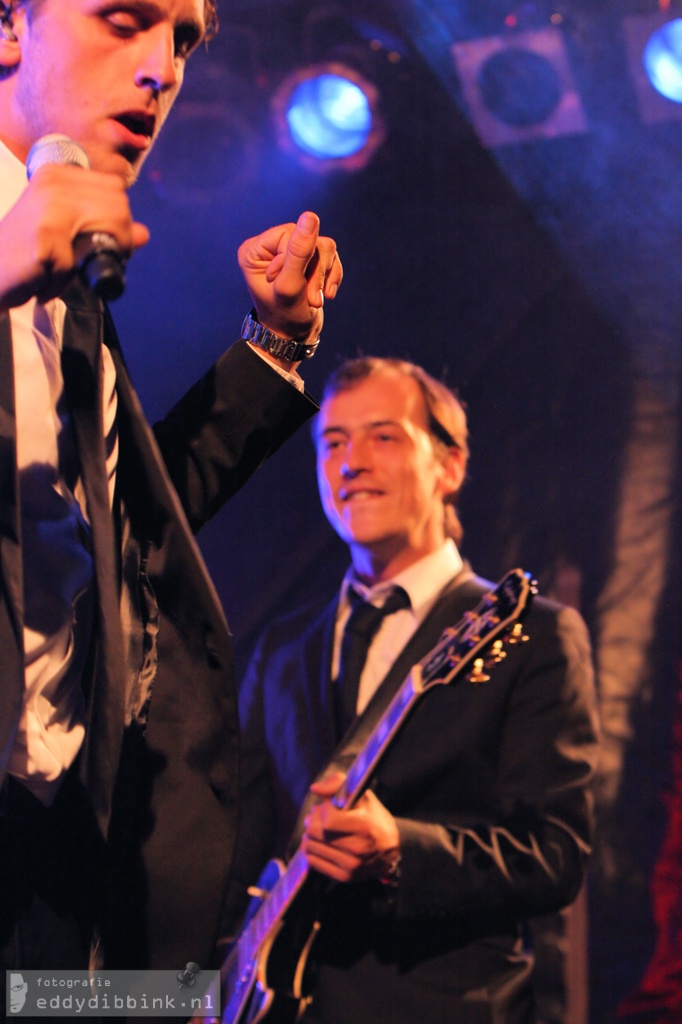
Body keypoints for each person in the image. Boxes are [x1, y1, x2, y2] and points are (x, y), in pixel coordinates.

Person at [0, 0, 342, 995]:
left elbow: (127, 534)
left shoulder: (72, 284)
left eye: (185, 41)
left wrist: (272, 347)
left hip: (55, 865)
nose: (163, 69)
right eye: (124, 20)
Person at [223, 356, 600, 1024]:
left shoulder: (535, 635)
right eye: (332, 443)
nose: (351, 463)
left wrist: (401, 849)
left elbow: (556, 855)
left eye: (384, 436)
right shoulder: (283, 647)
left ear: (449, 465)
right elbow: (238, 850)